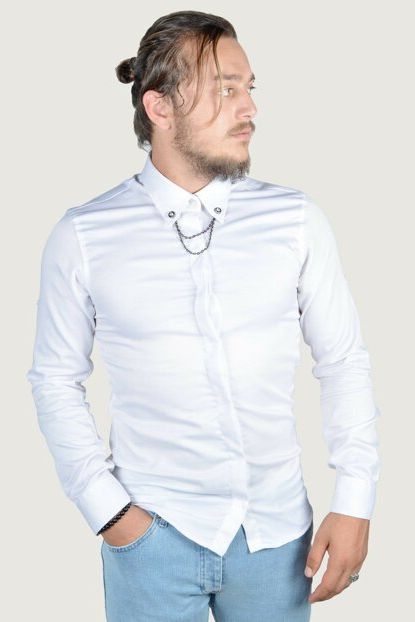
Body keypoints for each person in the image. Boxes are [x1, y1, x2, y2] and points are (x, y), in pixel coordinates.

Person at [26, 9, 381, 622]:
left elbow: (342, 361)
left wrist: (355, 500)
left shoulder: (296, 220)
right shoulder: (83, 234)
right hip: (151, 540)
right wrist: (110, 514)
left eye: (249, 87)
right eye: (225, 89)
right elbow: (55, 380)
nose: (250, 108)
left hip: (277, 540)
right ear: (160, 107)